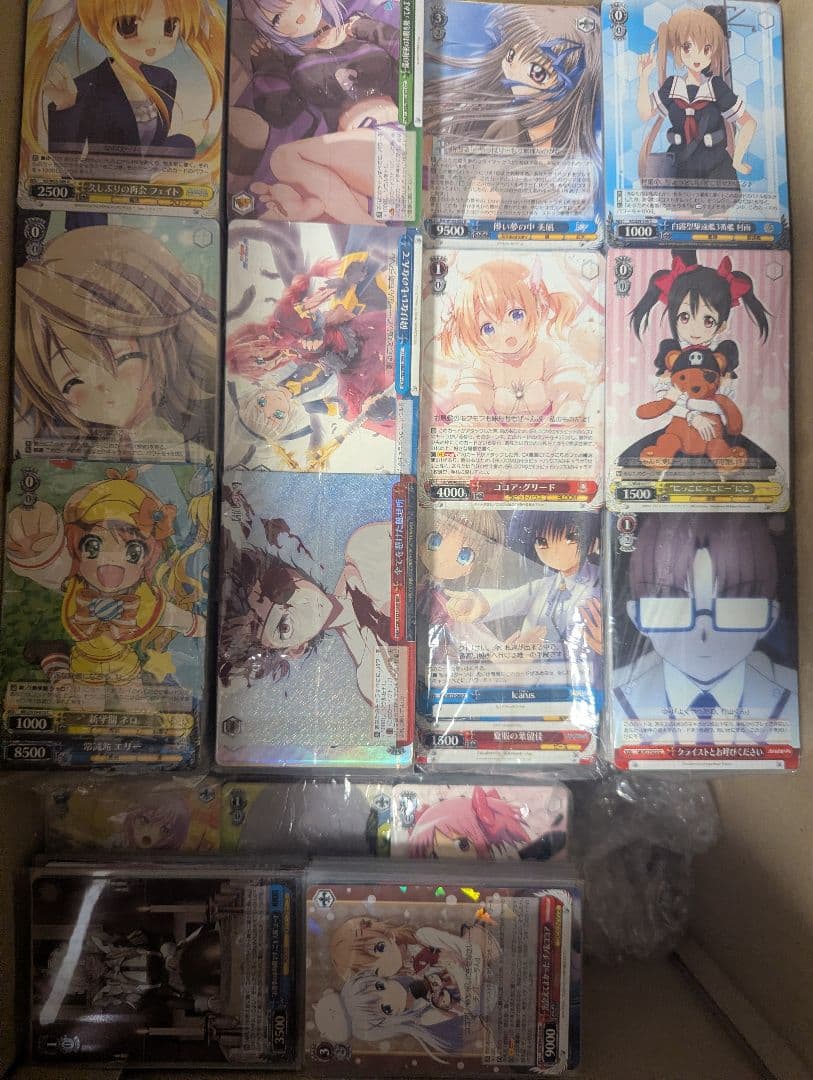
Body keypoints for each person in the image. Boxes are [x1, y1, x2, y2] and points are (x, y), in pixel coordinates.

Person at [15, 225, 218, 459]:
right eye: (72, 382)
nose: (103, 386)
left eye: (123, 359)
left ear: (163, 348)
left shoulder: (189, 449)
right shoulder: (75, 454)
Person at [613, 514, 797, 746]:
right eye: (674, 601)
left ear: (770, 616)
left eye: (732, 603)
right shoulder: (615, 694)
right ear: (636, 615)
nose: (703, 630)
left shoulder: (794, 692)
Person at [636, 6, 757, 187]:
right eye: (688, 47)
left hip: (716, 167)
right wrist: (644, 78)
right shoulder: (673, 86)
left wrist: (737, 159)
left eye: (706, 48)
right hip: (681, 166)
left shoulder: (715, 87)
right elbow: (645, 114)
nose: (698, 55)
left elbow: (748, 122)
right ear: (677, 49)